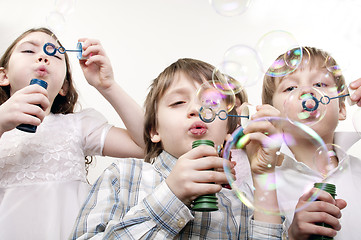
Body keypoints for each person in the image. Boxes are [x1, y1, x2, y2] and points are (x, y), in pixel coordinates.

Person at [70, 58, 286, 239]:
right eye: (178, 102)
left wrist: (264, 175)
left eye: (211, 102)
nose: (196, 109)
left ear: (229, 128)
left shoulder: (238, 204)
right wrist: (171, 195)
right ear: (154, 130)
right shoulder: (123, 176)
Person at [0, 27, 145, 240]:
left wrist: (107, 85)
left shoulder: (78, 126)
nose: (43, 56)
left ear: (64, 87)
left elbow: (146, 145)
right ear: (3, 76)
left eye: (55, 54)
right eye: (29, 51)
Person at [242, 46, 361, 239]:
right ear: (272, 117)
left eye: (320, 84)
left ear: (341, 108)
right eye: (290, 88)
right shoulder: (259, 185)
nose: (307, 91)